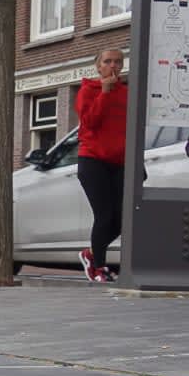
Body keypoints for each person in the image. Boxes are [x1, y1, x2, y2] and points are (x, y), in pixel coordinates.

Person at [74, 49, 128, 283]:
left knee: (125, 217)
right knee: (104, 215)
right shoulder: (88, 90)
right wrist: (104, 92)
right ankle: (98, 266)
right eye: (107, 61)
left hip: (120, 161)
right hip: (93, 159)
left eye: (117, 61)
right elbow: (89, 122)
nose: (112, 66)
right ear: (98, 67)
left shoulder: (127, 93)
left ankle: (92, 253)